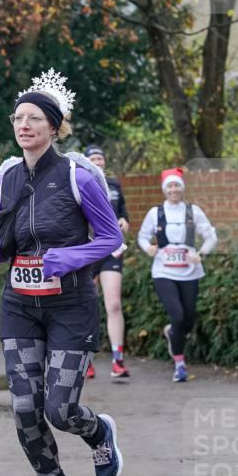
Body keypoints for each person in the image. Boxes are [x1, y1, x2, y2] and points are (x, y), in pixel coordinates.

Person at [0, 68, 125, 476]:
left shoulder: (80, 175)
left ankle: (98, 431)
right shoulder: (4, 177)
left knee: (60, 410)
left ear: (54, 125)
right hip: (19, 304)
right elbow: (0, 236)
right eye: (17, 118)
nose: (24, 125)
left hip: (70, 305)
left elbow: (109, 238)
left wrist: (70, 257)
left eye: (34, 119)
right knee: (25, 408)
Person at [138, 167, 217, 382]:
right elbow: (142, 236)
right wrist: (149, 249)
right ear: (165, 189)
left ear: (182, 189)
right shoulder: (156, 213)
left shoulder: (193, 211)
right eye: (170, 186)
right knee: (178, 315)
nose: (173, 190)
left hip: (190, 271)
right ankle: (180, 365)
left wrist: (201, 253)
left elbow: (211, 236)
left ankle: (172, 331)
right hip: (163, 270)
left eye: (177, 186)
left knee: (188, 319)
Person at [84, 144, 130, 381]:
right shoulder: (78, 182)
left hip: (111, 252)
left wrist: (123, 221)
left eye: (100, 157)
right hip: (88, 251)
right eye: (92, 158)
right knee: (86, 306)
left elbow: (123, 215)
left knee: (113, 304)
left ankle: (117, 360)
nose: (98, 161)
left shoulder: (113, 185)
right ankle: (85, 360)